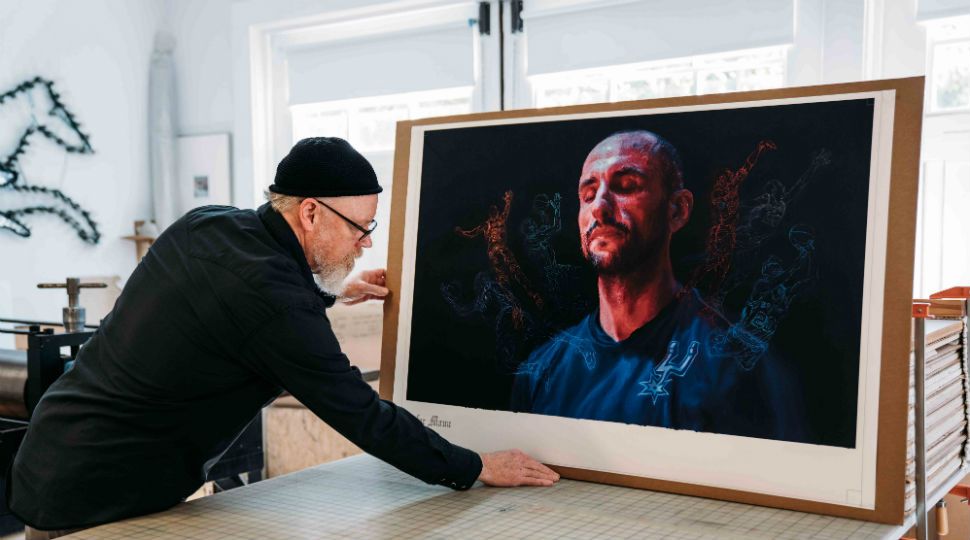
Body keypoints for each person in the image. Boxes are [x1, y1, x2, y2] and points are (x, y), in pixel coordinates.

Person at [8, 137, 558, 537]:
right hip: (99, 495)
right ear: (312, 213)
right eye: (361, 227)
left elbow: (233, 308)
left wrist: (333, 294)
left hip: (54, 451)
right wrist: (475, 465)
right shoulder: (274, 300)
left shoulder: (211, 223)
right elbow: (359, 412)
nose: (366, 244)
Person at [511, 130, 805, 443]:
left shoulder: (739, 365)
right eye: (588, 194)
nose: (599, 207)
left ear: (677, 210)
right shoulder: (542, 371)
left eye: (626, 187)